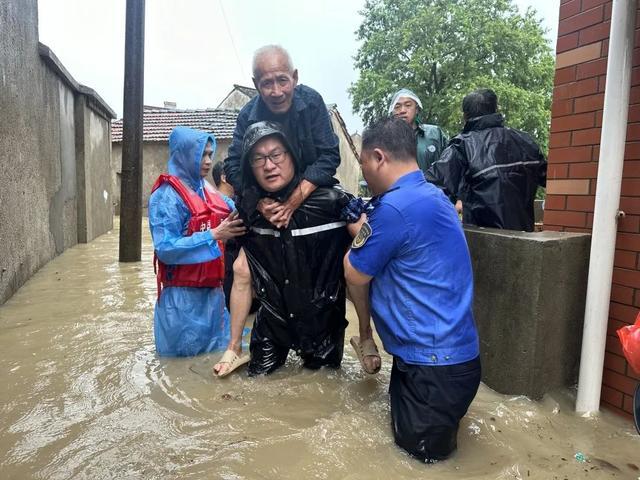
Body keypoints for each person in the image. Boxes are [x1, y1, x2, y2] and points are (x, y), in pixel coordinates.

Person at [343, 117, 481, 462]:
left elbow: (354, 273)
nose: (365, 176)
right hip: (451, 362)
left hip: (431, 371)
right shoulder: (434, 195)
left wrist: (356, 228)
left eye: (363, 165)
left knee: (420, 465)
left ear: (378, 157)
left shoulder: (392, 209)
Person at [216, 45, 351, 375]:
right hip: (261, 201)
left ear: (295, 77)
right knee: (243, 269)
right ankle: (234, 346)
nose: (276, 91)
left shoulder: (313, 103)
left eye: (282, 80)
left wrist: (294, 200)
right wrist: (260, 202)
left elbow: (328, 157)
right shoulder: (248, 114)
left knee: (329, 269)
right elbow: (233, 165)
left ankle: (361, 341)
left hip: (310, 194)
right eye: (266, 83)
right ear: (255, 83)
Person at [148, 127, 246, 357]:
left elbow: (236, 212)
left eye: (210, 154)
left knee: (218, 358)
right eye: (202, 155)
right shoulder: (165, 197)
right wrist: (213, 235)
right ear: (184, 155)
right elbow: (165, 249)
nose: (208, 161)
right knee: (180, 370)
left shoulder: (206, 189)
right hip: (182, 302)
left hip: (213, 296)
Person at [426, 88, 547, 232]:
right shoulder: (525, 141)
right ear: (496, 109)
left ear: (465, 115)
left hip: (484, 239)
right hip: (524, 237)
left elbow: (431, 185)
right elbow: (550, 179)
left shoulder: (462, 145)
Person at [389, 88, 448, 174]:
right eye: (397, 107)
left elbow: (450, 166)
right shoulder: (386, 140)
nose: (402, 111)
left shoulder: (435, 134)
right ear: (392, 112)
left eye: (408, 105)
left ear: (416, 109)